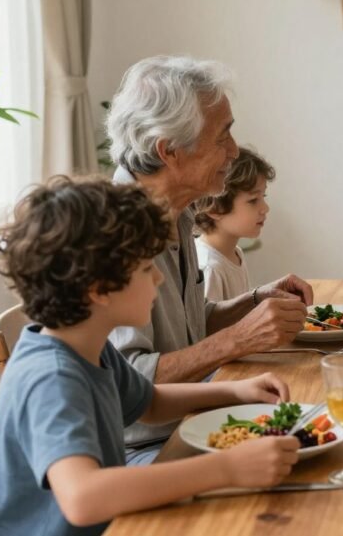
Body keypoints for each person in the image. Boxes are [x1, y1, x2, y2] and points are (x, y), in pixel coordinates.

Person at [0, 177, 300, 536]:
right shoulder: (50, 377)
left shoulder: (88, 345)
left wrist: (235, 391)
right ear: (100, 289)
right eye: (148, 268)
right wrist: (226, 469)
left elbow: (149, 402)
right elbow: (83, 497)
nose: (160, 280)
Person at [106, 55, 313, 464]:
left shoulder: (177, 212)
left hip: (194, 420)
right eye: (222, 137)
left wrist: (254, 302)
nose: (234, 151)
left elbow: (188, 325)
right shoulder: (116, 232)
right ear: (170, 152)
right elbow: (131, 383)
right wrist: (238, 339)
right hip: (141, 449)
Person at [193, 146, 275, 301]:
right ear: (215, 208)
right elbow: (211, 325)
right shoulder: (209, 268)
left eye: (263, 196)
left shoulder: (234, 253)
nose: (265, 208)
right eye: (253, 200)